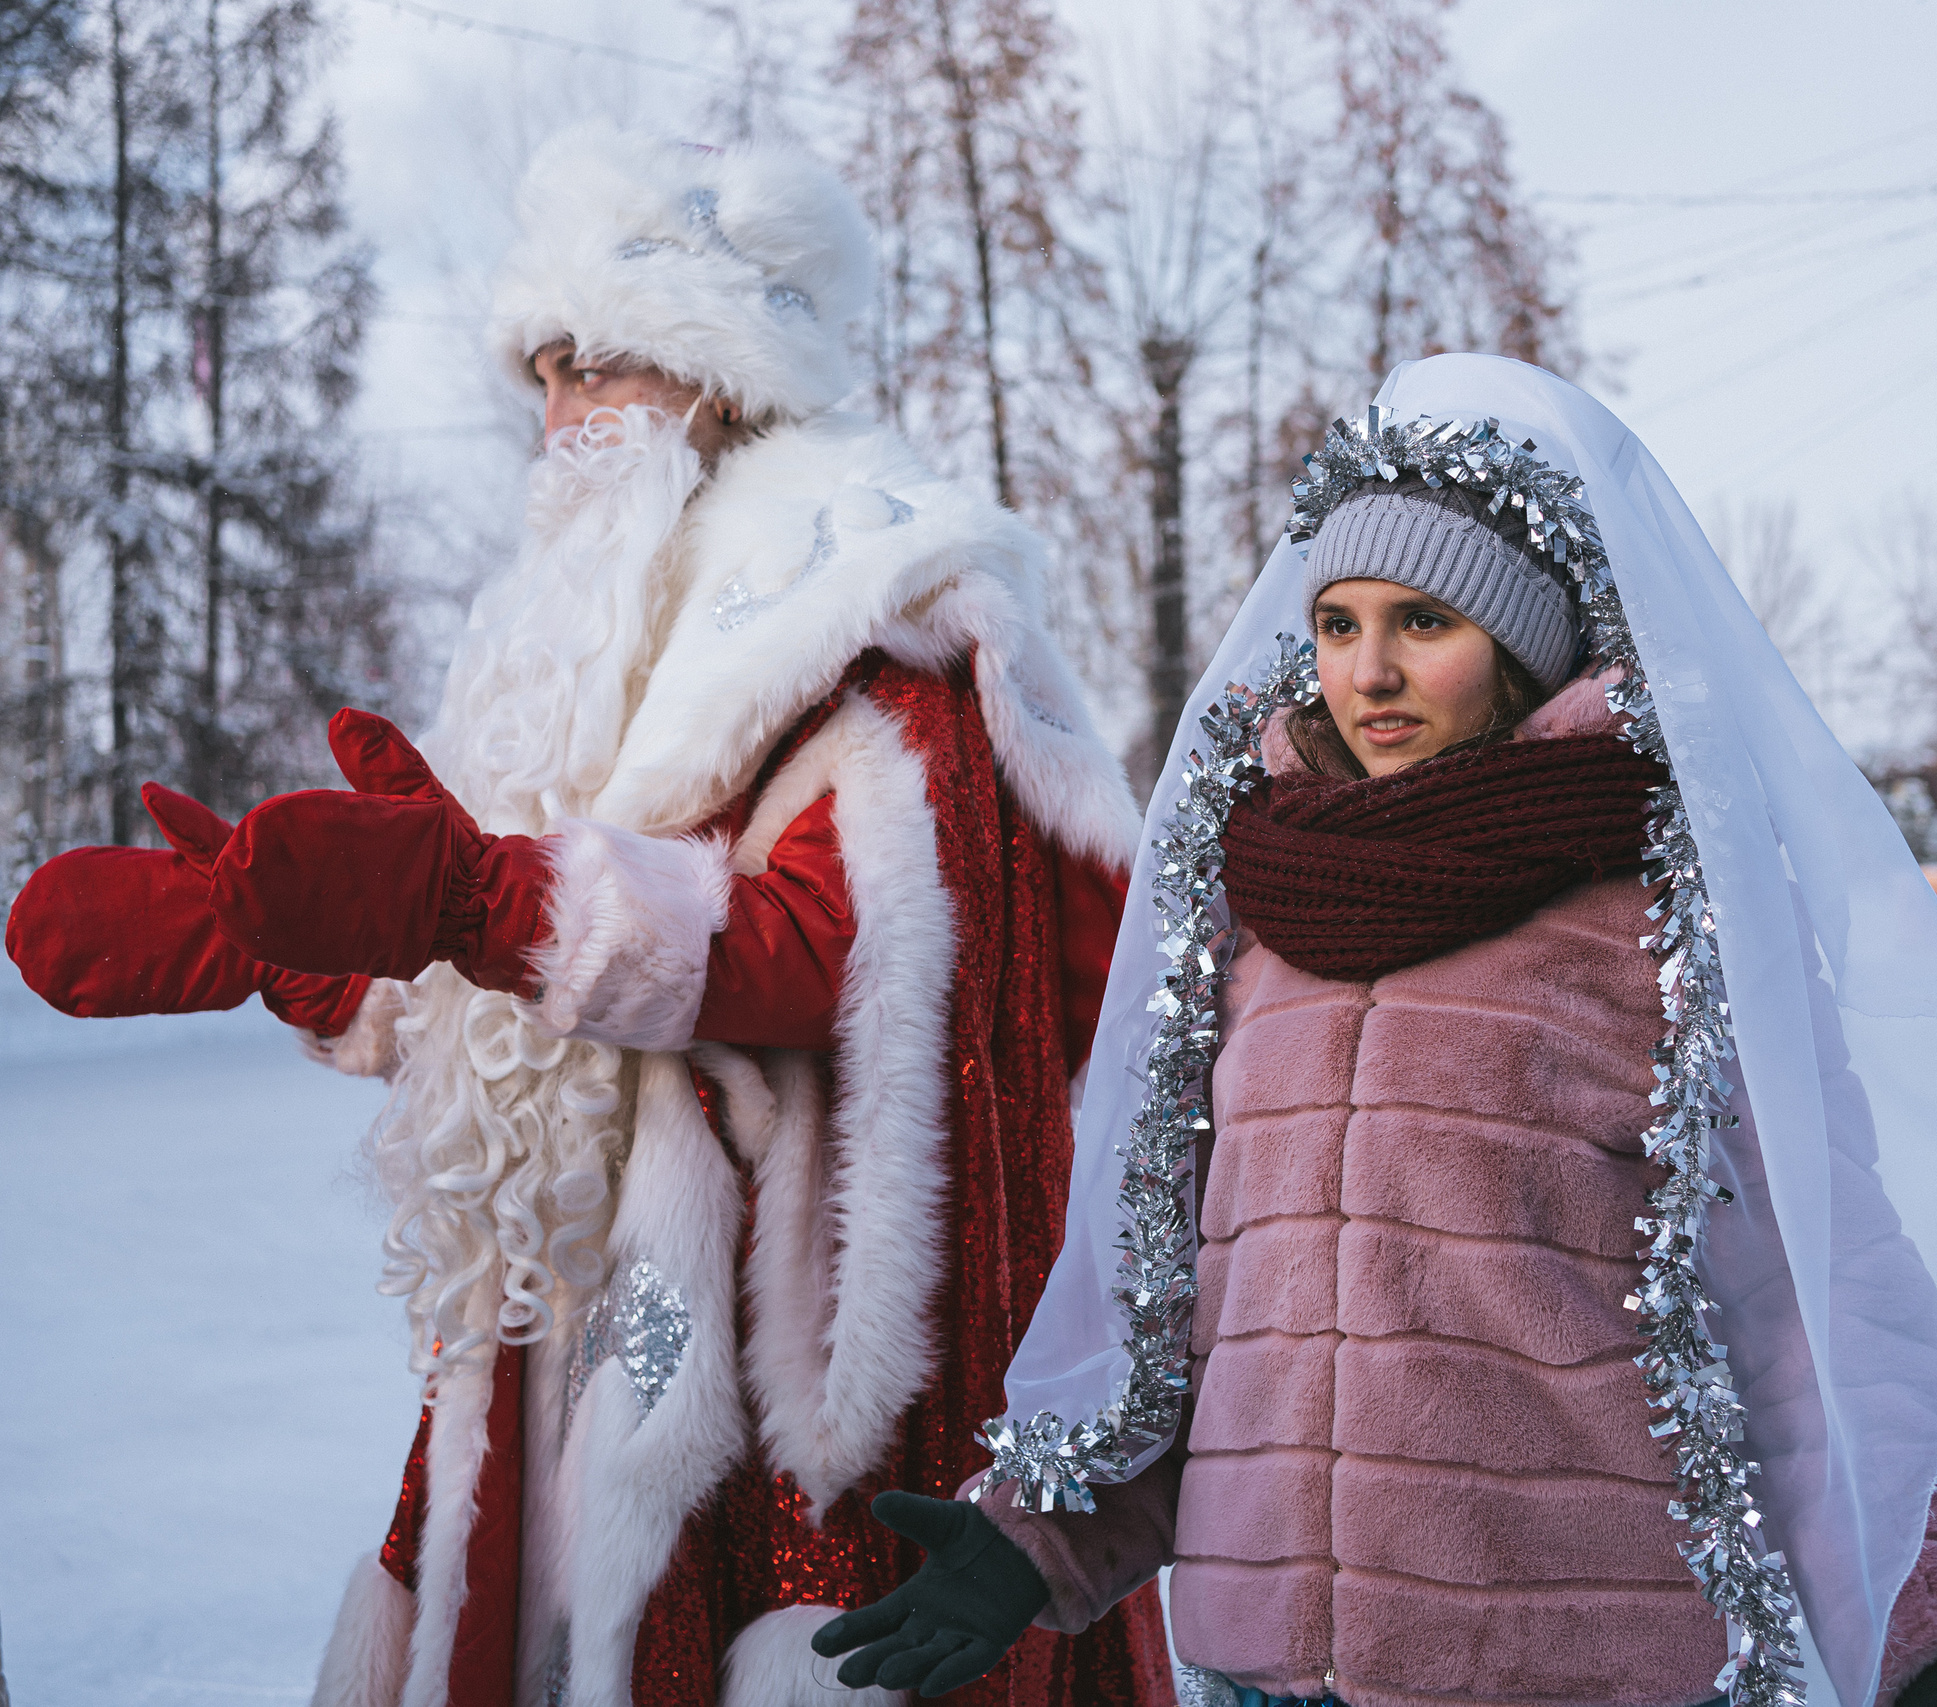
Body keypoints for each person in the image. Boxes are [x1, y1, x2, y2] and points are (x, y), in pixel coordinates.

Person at [5, 122, 1173, 1707]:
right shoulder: (626, 622)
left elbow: (833, 948)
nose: (557, 421)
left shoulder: (882, 622)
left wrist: (469, 891)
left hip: (776, 1352)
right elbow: (518, 970)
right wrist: (297, 947)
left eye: (594, 369)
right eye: (540, 378)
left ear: (726, 373)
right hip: (580, 1308)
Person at [800, 357, 1937, 1707]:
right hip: (1263, 1676)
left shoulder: (1665, 919)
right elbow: (1197, 1320)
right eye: (1337, 623)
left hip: (1558, 1665)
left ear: (1523, 643)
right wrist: (1033, 1539)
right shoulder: (1254, 911)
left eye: (1425, 622)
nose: (1370, 671)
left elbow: (1814, 1314)